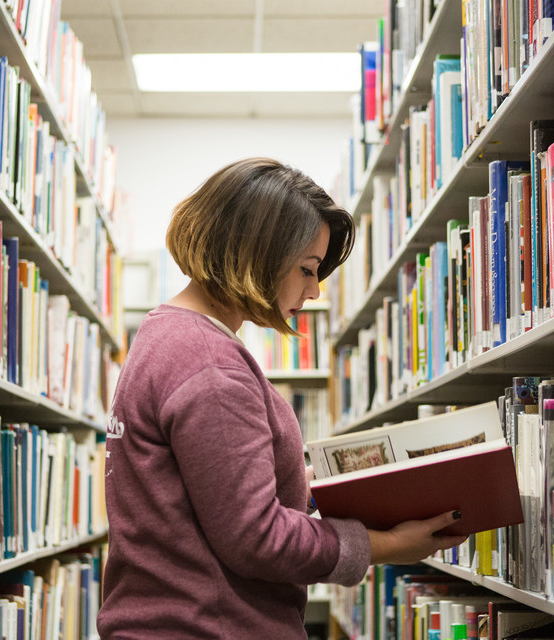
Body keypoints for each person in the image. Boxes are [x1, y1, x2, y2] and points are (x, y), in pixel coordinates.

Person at [97, 157, 467, 639]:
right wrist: (388, 545)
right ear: (257, 252)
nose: (314, 291)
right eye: (307, 269)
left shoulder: (165, 336)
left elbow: (208, 493)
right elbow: (257, 537)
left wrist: (318, 481)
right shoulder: (209, 363)